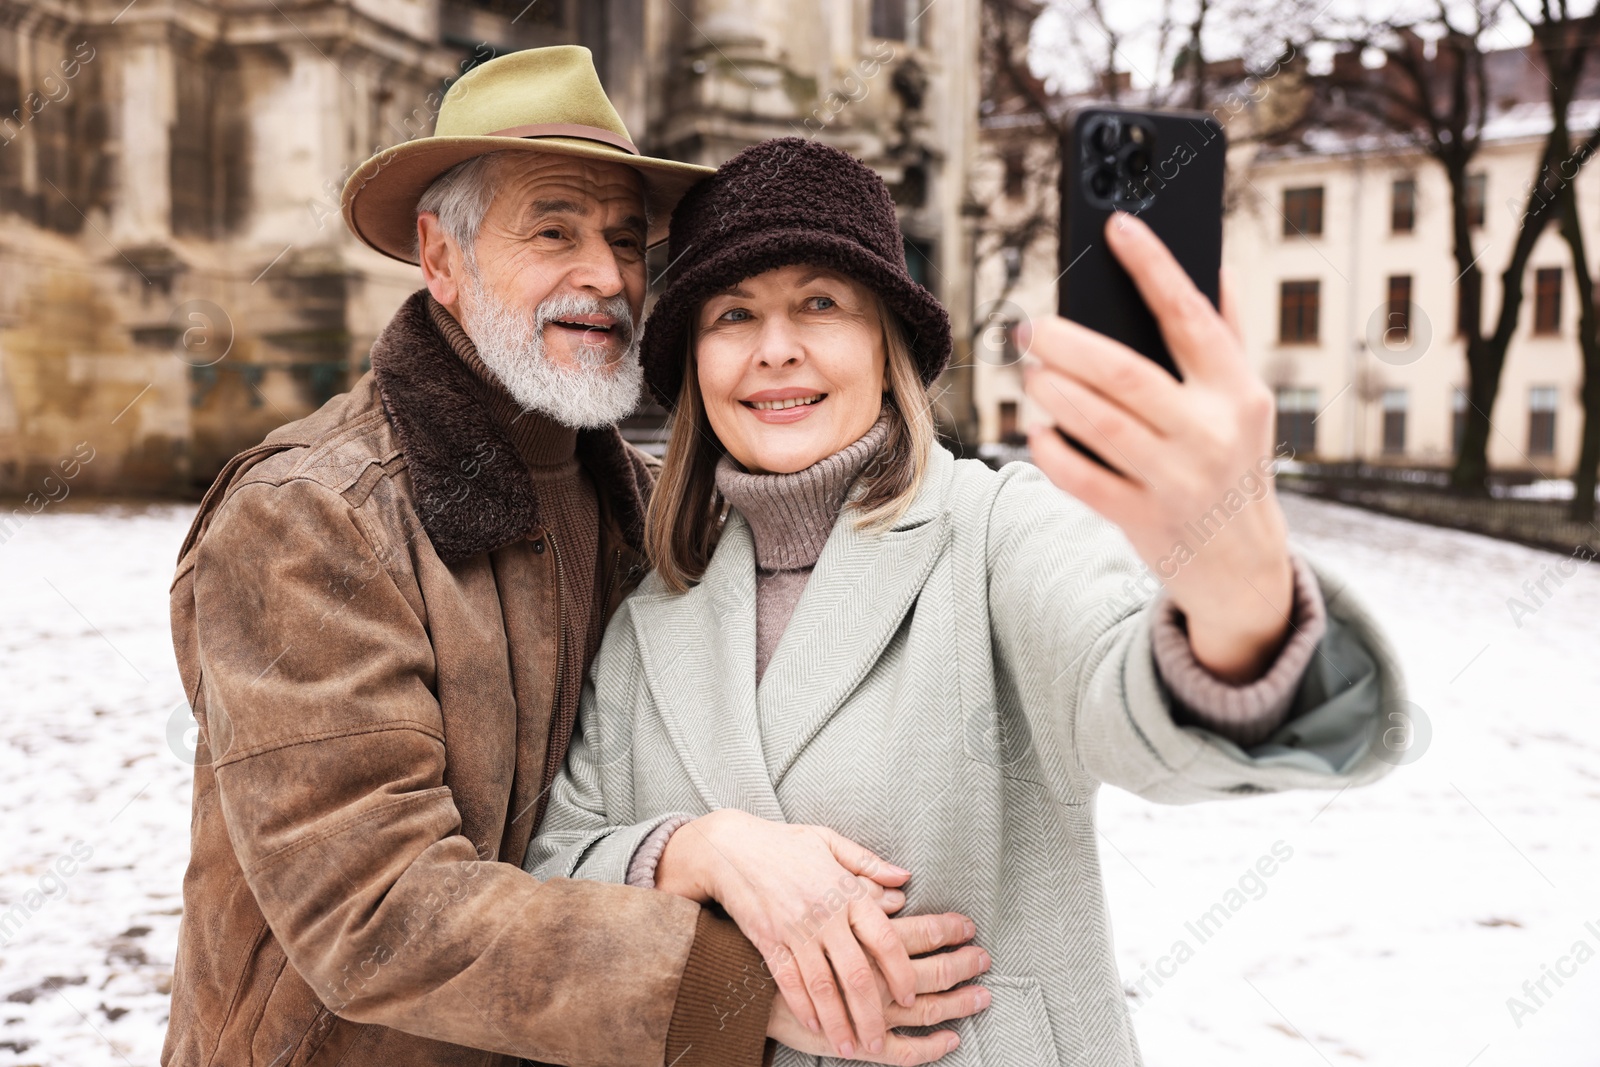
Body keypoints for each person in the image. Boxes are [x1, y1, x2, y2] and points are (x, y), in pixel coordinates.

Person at [164, 51, 981, 1067]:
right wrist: (733, 983)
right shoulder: (310, 518)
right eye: (553, 230)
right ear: (442, 257)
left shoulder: (650, 510)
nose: (604, 275)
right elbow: (372, 907)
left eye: (625, 239)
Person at [525, 137, 1406, 1065]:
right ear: (698, 364)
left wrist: (1239, 593)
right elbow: (559, 866)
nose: (774, 349)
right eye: (733, 314)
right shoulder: (657, 603)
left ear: (888, 341)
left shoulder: (997, 534)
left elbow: (1128, 700)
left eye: (820, 303)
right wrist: (702, 858)